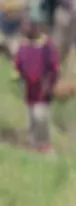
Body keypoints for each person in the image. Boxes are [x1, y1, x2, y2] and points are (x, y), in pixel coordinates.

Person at [14, 18, 60, 154]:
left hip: (43, 87)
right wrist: (19, 74)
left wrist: (49, 83)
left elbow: (54, 66)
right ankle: (34, 145)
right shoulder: (23, 45)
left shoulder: (46, 45)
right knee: (31, 119)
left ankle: (45, 144)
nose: (25, 30)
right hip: (29, 88)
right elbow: (19, 63)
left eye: (28, 27)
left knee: (41, 117)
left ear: (35, 28)